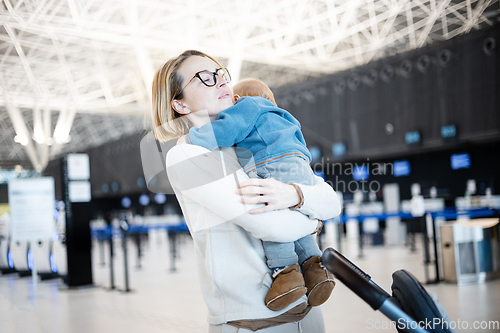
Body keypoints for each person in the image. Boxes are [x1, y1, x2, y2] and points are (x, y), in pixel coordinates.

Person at [151, 50, 342, 332]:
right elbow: (272, 225)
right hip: (253, 322)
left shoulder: (252, 144)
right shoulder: (187, 155)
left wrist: (295, 195)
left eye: (219, 74)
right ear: (179, 104)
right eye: (203, 78)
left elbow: (333, 201)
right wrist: (313, 215)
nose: (218, 82)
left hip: (308, 313)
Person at [183, 77, 335, 311]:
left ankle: (286, 274)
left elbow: (226, 129)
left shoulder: (247, 106)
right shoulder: (284, 115)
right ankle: (315, 269)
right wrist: (311, 219)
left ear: (236, 99)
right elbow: (327, 199)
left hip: (272, 163)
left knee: (270, 207)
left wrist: (193, 138)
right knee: (290, 214)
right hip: (301, 165)